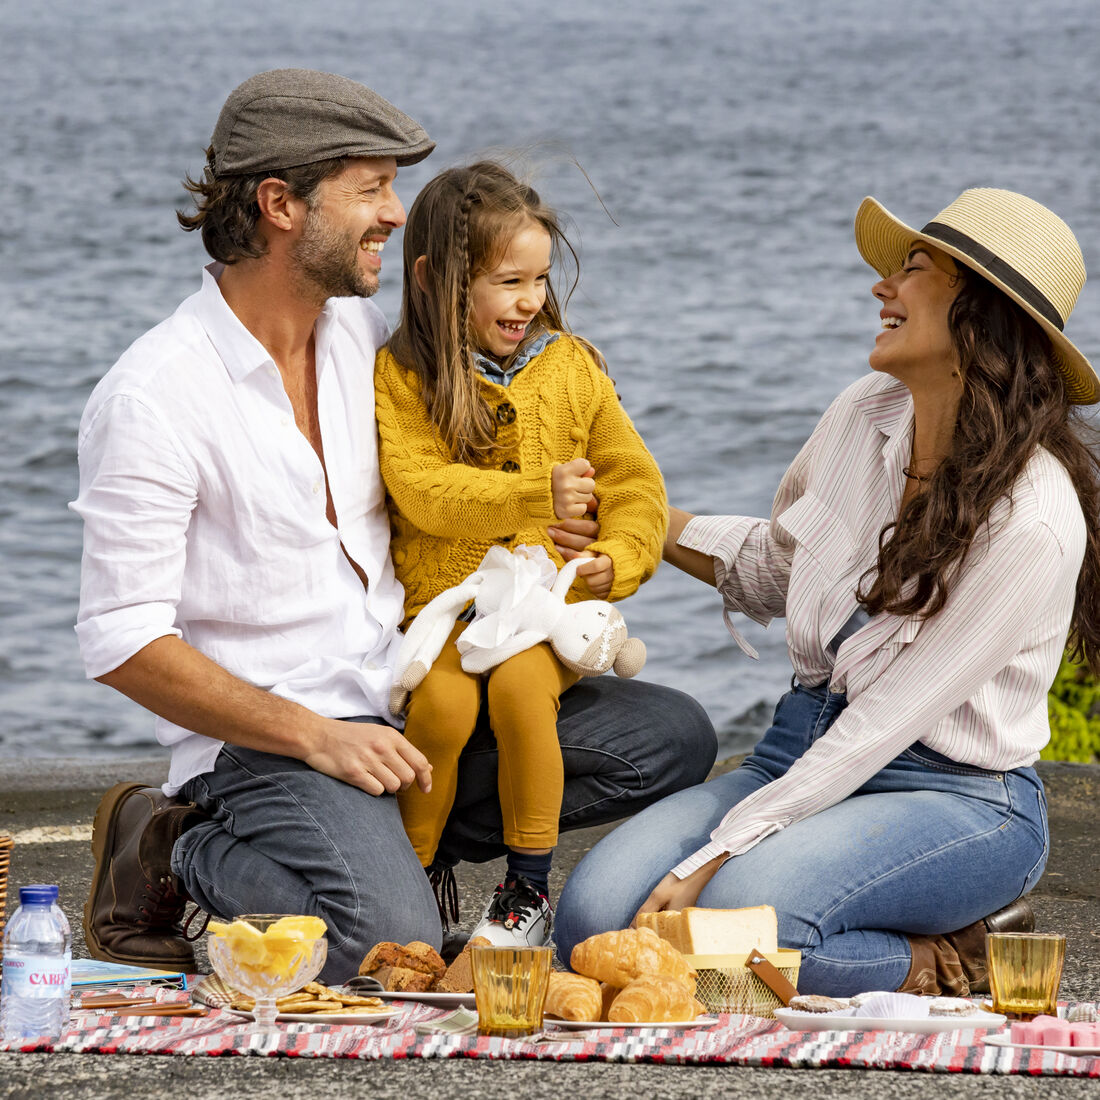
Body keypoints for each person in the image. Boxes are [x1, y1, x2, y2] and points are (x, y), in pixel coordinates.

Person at [73, 69, 716, 982]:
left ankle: (393, 848)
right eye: (370, 189)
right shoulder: (154, 396)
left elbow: (510, 392)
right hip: (270, 741)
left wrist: (573, 398)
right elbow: (121, 640)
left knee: (671, 737)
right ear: (278, 204)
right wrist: (311, 734)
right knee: (385, 948)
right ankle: (170, 846)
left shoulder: (364, 339)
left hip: (412, 696)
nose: (396, 211)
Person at [555, 188, 1100, 998]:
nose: (882, 287)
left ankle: (941, 956)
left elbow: (884, 722)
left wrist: (720, 850)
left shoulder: (1034, 517)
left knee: (727, 932)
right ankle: (875, 927)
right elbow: (778, 569)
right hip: (799, 749)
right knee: (590, 920)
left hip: (953, 793)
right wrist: (633, 517)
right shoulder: (864, 412)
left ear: (980, 316)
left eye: (912, 270)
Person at [375, 161, 667, 947]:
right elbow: (422, 490)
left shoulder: (573, 368)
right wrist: (536, 494)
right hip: (450, 604)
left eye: (538, 279)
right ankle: (415, 880)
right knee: (439, 706)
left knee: (517, 692)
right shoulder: (405, 375)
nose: (531, 299)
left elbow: (636, 481)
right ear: (439, 280)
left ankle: (526, 890)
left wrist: (619, 556)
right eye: (509, 281)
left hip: (544, 606)